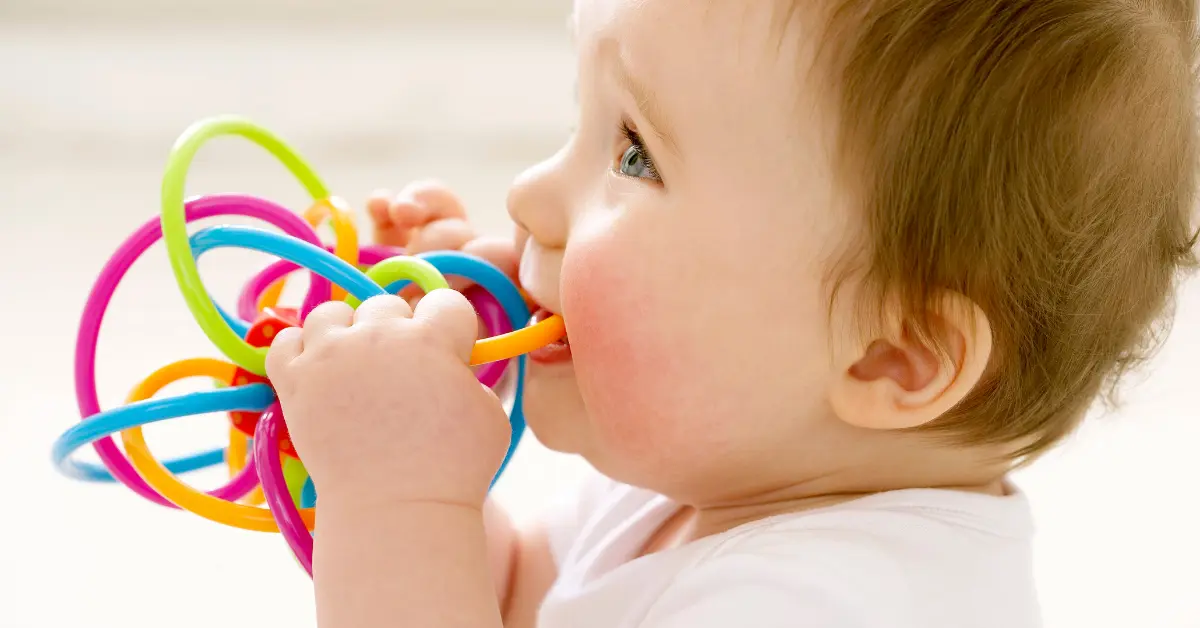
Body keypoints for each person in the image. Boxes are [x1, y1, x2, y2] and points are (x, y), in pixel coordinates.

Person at [263, 1, 1200, 626]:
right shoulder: (717, 468)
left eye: (633, 154)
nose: (527, 194)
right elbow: (506, 599)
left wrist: (396, 499)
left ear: (890, 358)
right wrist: (399, 450)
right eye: (577, 121)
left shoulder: (825, 605)